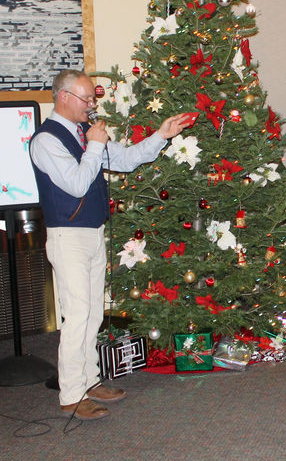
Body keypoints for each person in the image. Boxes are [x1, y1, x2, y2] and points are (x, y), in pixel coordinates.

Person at [29, 70, 190, 421]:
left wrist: (161, 135)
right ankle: (71, 394)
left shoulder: (84, 135)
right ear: (64, 97)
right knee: (77, 315)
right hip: (67, 237)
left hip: (91, 233)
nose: (92, 105)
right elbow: (75, 184)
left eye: (93, 99)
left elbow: (127, 160)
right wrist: (97, 145)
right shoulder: (46, 140)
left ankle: (88, 380)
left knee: (93, 315)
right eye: (87, 99)